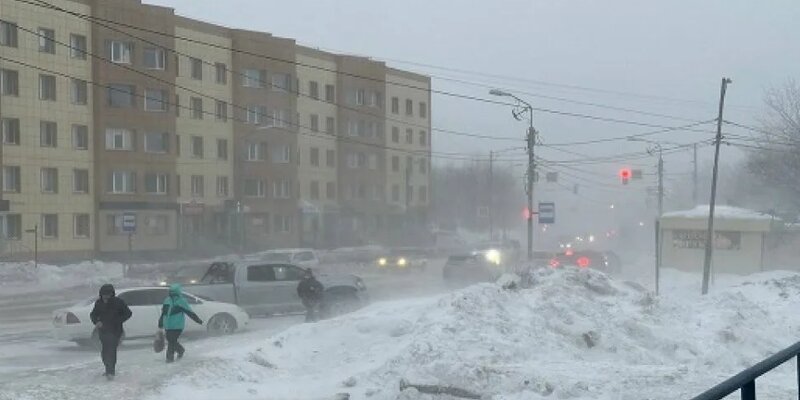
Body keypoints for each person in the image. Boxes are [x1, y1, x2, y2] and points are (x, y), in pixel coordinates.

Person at [89, 284, 132, 380]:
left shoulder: (118, 302)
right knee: (104, 351)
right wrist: (96, 321)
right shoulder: (99, 303)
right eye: (103, 295)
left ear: (111, 294)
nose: (105, 297)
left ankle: (111, 371)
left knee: (111, 350)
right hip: (103, 330)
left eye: (107, 295)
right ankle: (107, 368)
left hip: (115, 330)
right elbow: (93, 314)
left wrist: (118, 320)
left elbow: (128, 313)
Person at [158, 284, 203, 363]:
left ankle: (169, 358)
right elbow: (163, 313)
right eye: (171, 292)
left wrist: (198, 320)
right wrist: (161, 322)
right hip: (168, 325)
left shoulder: (181, 301)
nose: (172, 293)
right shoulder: (167, 300)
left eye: (173, 292)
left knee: (171, 341)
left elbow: (189, 312)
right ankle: (180, 350)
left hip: (177, 325)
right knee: (171, 340)